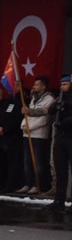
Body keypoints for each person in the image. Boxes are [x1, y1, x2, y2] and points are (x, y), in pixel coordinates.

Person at [19, 76, 55, 195]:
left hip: (39, 134)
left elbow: (45, 119)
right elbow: (27, 114)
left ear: (43, 86)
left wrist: (31, 127)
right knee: (27, 161)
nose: (34, 86)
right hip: (27, 133)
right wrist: (23, 125)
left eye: (37, 84)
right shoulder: (34, 98)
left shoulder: (49, 99)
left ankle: (37, 184)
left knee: (38, 162)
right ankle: (28, 183)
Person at [49, 74, 72, 212]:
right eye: (61, 84)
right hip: (60, 136)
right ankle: (59, 200)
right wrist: (59, 104)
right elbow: (50, 110)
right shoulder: (60, 98)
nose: (62, 87)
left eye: (65, 84)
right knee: (60, 170)